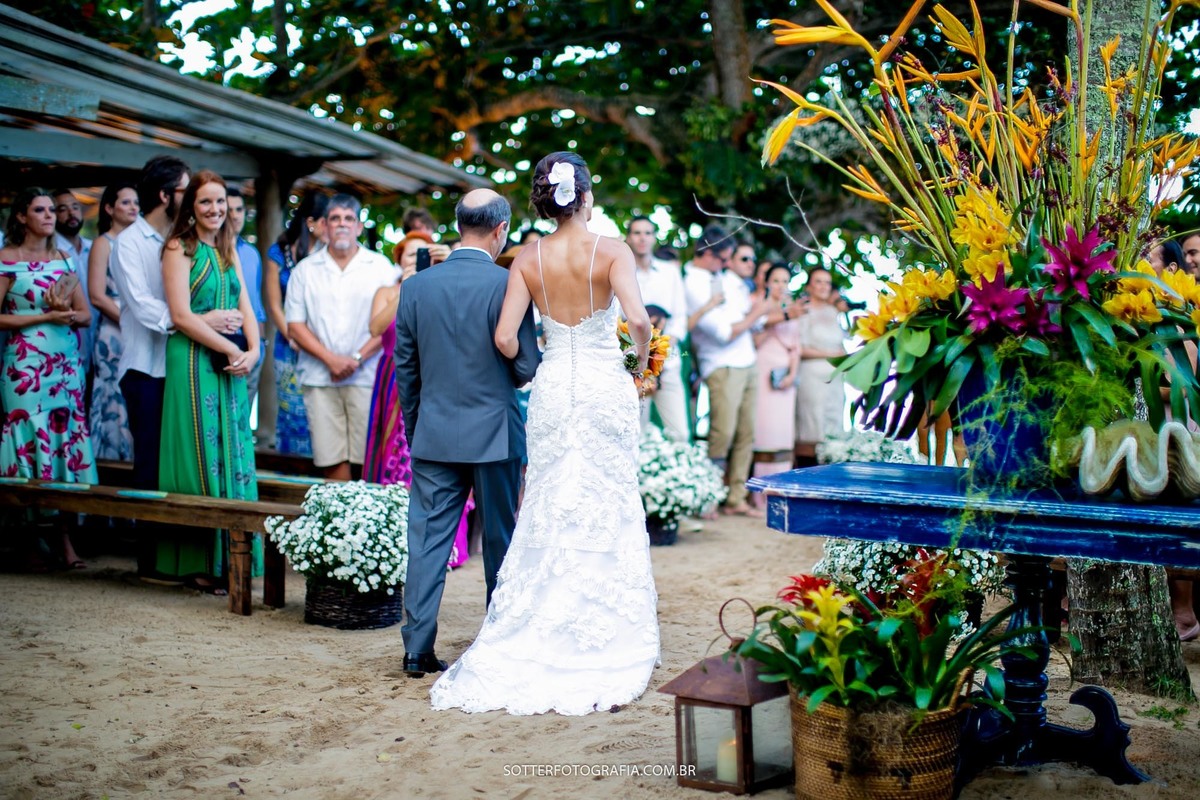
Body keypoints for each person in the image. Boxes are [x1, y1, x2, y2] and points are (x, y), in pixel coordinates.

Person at [429, 152, 660, 715]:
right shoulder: (612, 252)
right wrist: (639, 365)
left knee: (551, 499)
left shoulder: (525, 258)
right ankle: (604, 626)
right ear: (585, 196)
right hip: (606, 386)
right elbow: (639, 320)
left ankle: (540, 618)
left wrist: (539, 362)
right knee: (608, 496)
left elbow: (507, 337)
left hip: (555, 388)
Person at [394, 188, 539, 683]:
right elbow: (524, 367)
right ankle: (496, 642)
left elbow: (406, 373)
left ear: (459, 225)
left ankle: (416, 650)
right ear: (500, 231)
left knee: (428, 541)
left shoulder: (415, 288)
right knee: (500, 539)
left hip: (434, 432)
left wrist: (418, 430)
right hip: (496, 432)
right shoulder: (509, 284)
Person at [157, 170, 262, 592]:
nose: (215, 210)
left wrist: (252, 351)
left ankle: (232, 558)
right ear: (191, 207)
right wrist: (226, 345)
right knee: (200, 449)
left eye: (220, 202)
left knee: (234, 447)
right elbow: (180, 316)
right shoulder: (178, 247)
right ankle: (201, 562)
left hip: (231, 361)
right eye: (205, 202)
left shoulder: (227, 247)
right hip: (193, 360)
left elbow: (246, 305)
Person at [1, 187, 96, 570]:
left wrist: (67, 315)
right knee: (28, 443)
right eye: (39, 210)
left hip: (64, 365)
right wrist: (44, 317)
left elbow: (85, 315)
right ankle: (26, 540)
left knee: (62, 444)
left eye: (51, 211)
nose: (49, 216)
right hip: (25, 365)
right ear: (22, 216)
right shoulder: (6, 260)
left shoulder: (63, 259)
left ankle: (64, 541)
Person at [285, 194, 398, 480]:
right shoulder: (305, 270)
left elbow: (389, 324)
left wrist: (356, 359)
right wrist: (332, 360)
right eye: (335, 219)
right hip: (320, 376)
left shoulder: (380, 267)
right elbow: (295, 325)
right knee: (330, 457)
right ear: (324, 225)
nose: (342, 225)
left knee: (367, 459)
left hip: (367, 376)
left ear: (359, 227)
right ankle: (339, 522)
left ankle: (365, 524)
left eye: (349, 219)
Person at [363, 268, 470, 570]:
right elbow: (375, 328)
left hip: (432, 377)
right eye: (411, 254)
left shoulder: (440, 287)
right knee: (390, 456)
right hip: (391, 379)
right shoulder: (387, 292)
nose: (417, 259)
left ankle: (441, 545)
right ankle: (386, 541)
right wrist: (405, 288)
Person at [683, 225, 772, 517]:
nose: (727, 265)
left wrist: (751, 317)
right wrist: (756, 314)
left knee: (746, 432)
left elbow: (741, 321)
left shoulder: (721, 278)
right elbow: (723, 332)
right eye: (724, 259)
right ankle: (708, 496)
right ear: (708, 254)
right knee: (722, 433)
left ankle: (736, 497)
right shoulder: (691, 282)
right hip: (720, 364)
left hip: (746, 360)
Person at [263, 192, 328, 456]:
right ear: (311, 222)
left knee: (320, 406)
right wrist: (291, 334)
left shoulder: (329, 252)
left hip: (322, 341)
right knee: (291, 407)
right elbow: (274, 303)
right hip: (288, 341)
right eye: (328, 220)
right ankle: (292, 464)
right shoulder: (278, 252)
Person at [87, 182, 139, 461]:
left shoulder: (141, 243)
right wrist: (132, 322)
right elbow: (96, 296)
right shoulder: (103, 243)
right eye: (126, 202)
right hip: (113, 332)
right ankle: (110, 459)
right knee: (112, 394)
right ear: (109, 208)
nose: (133, 207)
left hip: (139, 329)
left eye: (135, 202)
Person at [626, 215, 690, 442]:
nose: (642, 238)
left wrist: (661, 349)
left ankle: (676, 476)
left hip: (668, 361)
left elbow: (680, 317)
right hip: (632, 365)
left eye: (647, 233)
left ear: (654, 238)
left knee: (680, 434)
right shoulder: (621, 272)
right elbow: (616, 320)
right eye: (637, 233)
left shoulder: (670, 272)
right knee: (636, 434)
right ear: (629, 238)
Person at [752, 264, 802, 489]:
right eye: (776, 281)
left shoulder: (793, 309)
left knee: (783, 432)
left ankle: (782, 487)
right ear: (767, 282)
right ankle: (759, 490)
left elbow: (796, 347)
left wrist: (792, 373)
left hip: (785, 374)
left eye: (785, 281)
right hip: (763, 370)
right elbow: (754, 339)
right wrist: (777, 317)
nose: (781, 286)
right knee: (764, 431)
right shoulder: (759, 306)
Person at [794, 267, 849, 467]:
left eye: (827, 282)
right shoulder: (804, 310)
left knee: (832, 423)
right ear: (809, 286)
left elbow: (840, 343)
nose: (823, 286)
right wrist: (830, 355)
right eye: (819, 281)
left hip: (834, 377)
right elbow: (800, 348)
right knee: (811, 425)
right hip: (812, 376)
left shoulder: (834, 312)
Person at [226, 187, 268, 425]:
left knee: (243, 420)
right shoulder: (210, 252)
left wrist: (260, 344)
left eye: (239, 209)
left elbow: (256, 304)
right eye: (229, 209)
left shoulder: (251, 253)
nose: (235, 215)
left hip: (254, 347)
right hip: (225, 344)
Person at [52, 188, 98, 385]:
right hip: (68, 344)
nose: (71, 213)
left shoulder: (95, 247)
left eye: (75, 207)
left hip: (99, 340)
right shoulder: (53, 254)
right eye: (62, 209)